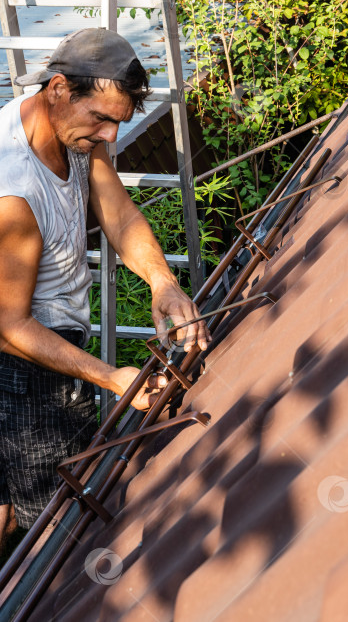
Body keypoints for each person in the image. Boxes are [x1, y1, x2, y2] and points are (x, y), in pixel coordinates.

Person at [0, 27, 210, 551]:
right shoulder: (14, 192)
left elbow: (116, 212)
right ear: (58, 89)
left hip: (46, 346)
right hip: (26, 372)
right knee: (50, 529)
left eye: (119, 122)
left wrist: (162, 283)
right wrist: (110, 377)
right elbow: (8, 326)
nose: (112, 137)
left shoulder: (72, 129)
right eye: (102, 119)